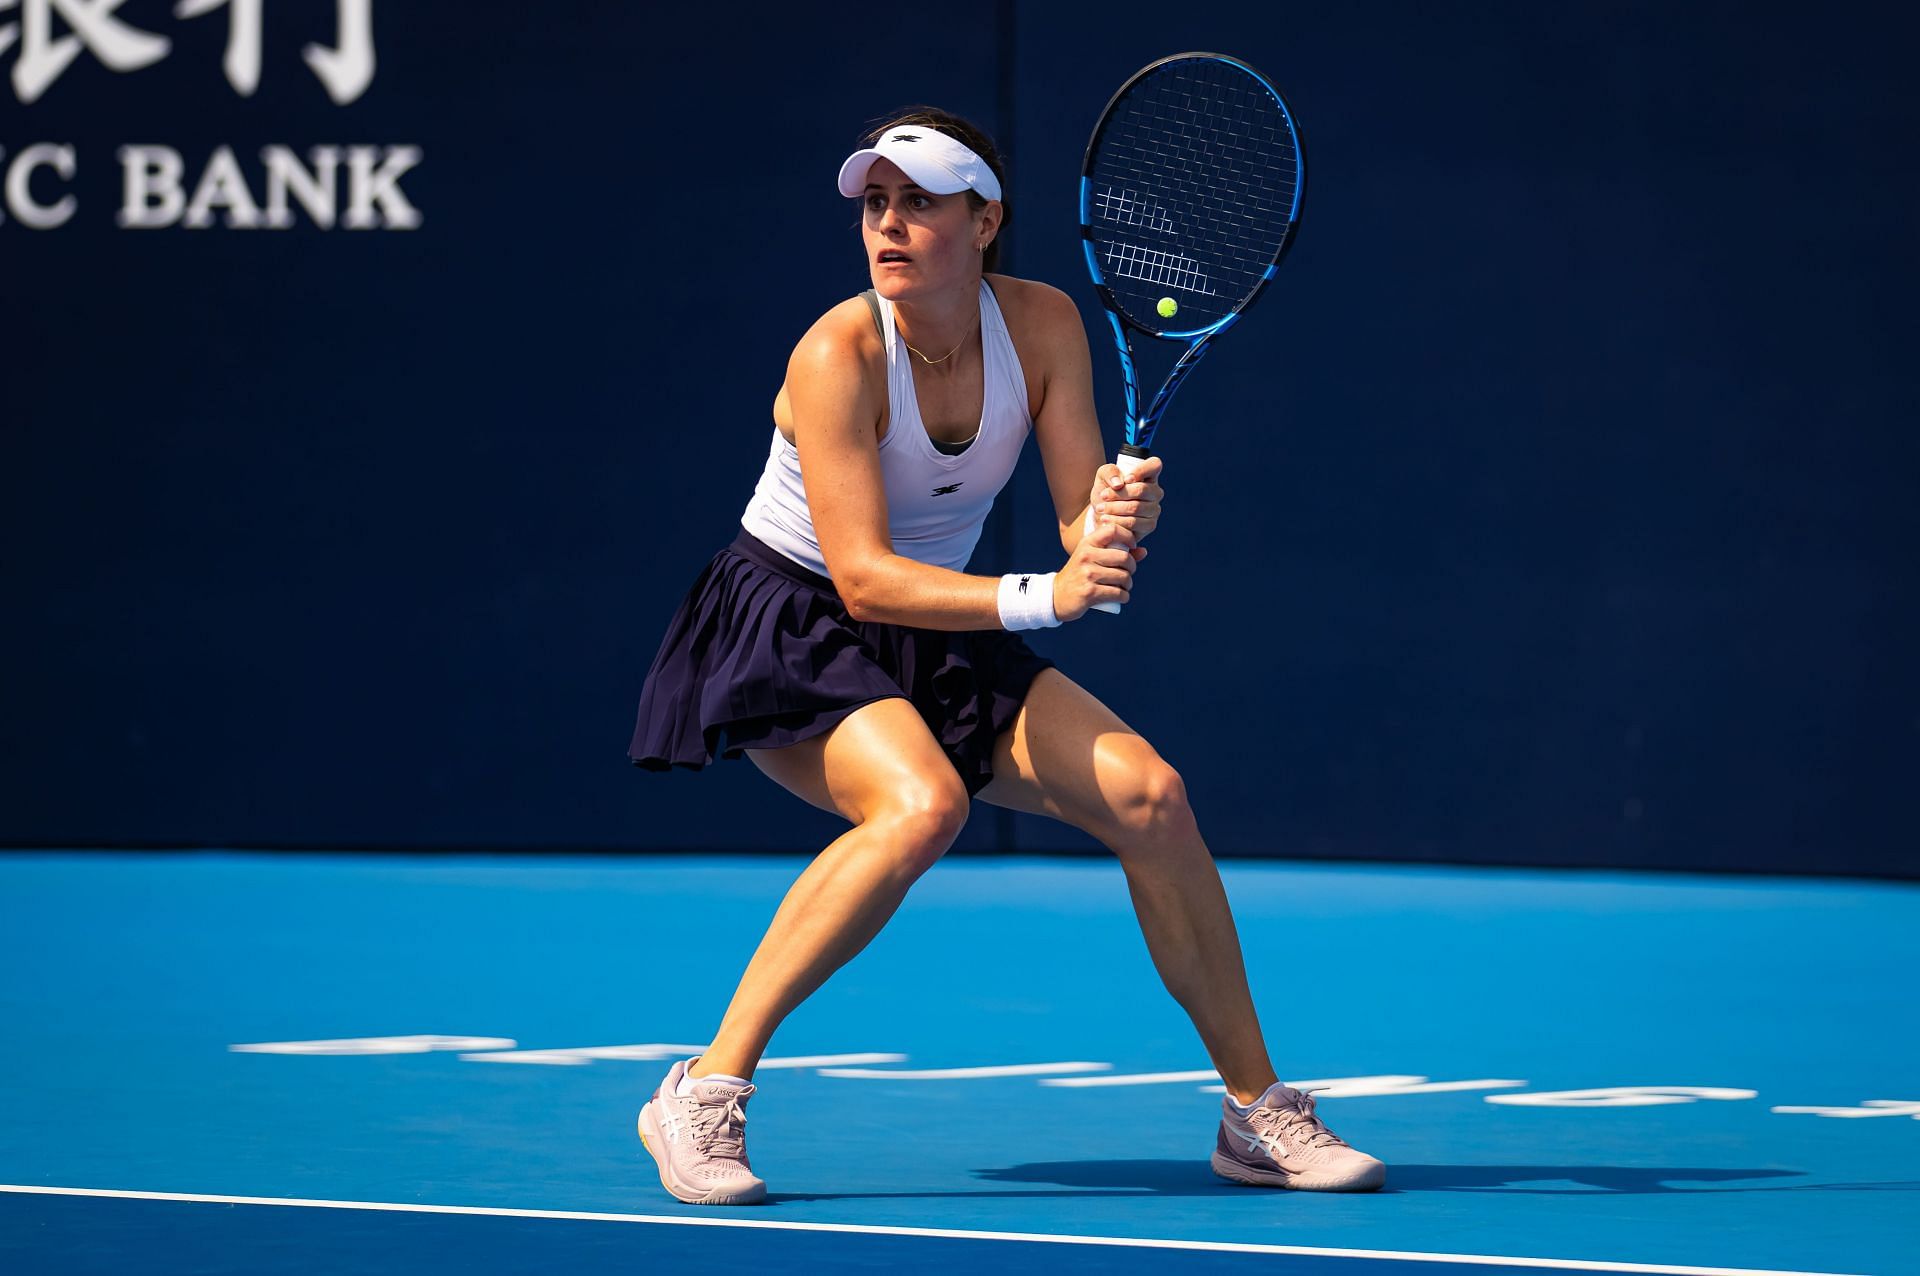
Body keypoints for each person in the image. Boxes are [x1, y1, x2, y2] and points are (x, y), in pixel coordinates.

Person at [627, 108, 1385, 1205]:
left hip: (942, 620)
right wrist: (1047, 595)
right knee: (920, 806)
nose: (888, 224)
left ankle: (1255, 1113)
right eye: (875, 203)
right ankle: (700, 1089)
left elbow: (1082, 522)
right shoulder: (837, 351)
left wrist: (1118, 517)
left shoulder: (1042, 327)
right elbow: (864, 581)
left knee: (1151, 795)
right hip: (792, 622)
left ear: (986, 220)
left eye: (919, 202)